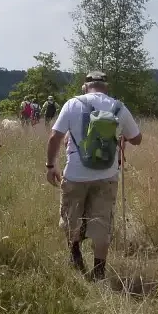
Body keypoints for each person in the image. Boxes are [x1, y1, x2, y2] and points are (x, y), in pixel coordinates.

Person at [45, 71, 141, 281]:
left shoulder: (72, 104)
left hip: (76, 175)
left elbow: (55, 137)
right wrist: (120, 133)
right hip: (107, 174)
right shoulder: (119, 107)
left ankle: (75, 254)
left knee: (71, 217)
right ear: (106, 87)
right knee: (102, 224)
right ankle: (99, 273)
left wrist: (51, 166)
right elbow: (137, 139)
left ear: (85, 87)